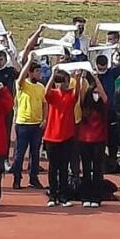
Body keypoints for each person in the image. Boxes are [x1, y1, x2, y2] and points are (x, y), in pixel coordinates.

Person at [42, 68, 80, 207]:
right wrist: (52, 75)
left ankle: (64, 196)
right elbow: (46, 93)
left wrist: (78, 79)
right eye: (58, 82)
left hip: (67, 136)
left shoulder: (70, 94)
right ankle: (52, 195)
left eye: (63, 82)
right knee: (53, 168)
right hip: (51, 136)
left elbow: (77, 94)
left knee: (64, 168)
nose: (61, 84)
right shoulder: (53, 94)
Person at [11, 61, 46, 190]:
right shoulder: (22, 84)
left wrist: (44, 119)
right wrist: (29, 60)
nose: (39, 74)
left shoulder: (41, 87)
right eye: (37, 71)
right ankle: (17, 179)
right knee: (20, 154)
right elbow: (21, 77)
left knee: (35, 153)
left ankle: (34, 178)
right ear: (30, 73)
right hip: (23, 124)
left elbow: (44, 104)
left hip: (37, 124)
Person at [76, 71, 109, 208]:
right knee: (86, 168)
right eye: (94, 91)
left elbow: (104, 95)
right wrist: (78, 79)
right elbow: (78, 94)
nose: (96, 94)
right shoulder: (85, 105)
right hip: (84, 140)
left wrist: (95, 77)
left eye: (98, 92)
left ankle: (96, 197)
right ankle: (86, 197)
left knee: (97, 170)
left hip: (99, 141)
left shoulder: (103, 105)